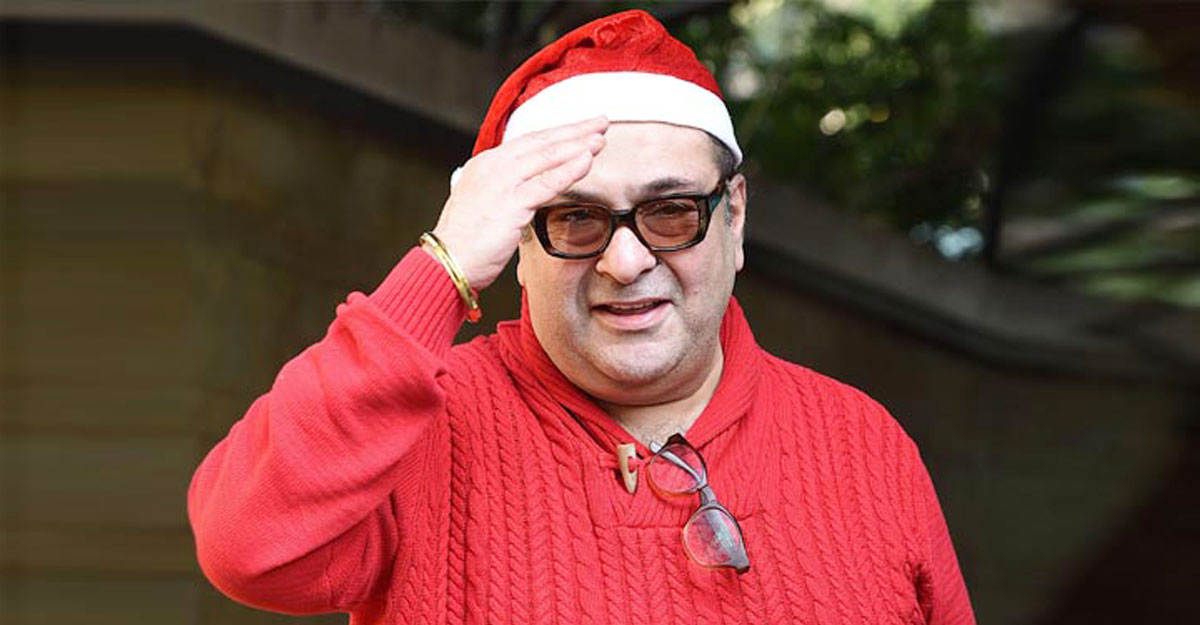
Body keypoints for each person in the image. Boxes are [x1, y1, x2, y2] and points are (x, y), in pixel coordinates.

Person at [188, 9, 975, 625]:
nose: (625, 261)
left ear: (734, 216)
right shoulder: (418, 432)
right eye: (575, 218)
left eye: (670, 211)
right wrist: (440, 268)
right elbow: (245, 545)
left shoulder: (865, 445)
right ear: (514, 241)